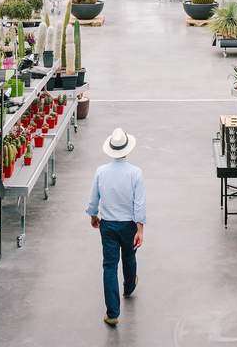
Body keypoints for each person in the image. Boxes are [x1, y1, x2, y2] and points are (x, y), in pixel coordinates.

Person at [86, 128, 146, 327]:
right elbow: (139, 204)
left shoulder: (101, 172)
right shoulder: (136, 173)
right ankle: (129, 287)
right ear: (127, 150)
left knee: (109, 266)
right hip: (128, 225)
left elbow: (94, 198)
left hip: (108, 226)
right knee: (129, 257)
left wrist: (94, 216)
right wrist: (140, 229)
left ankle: (112, 313)